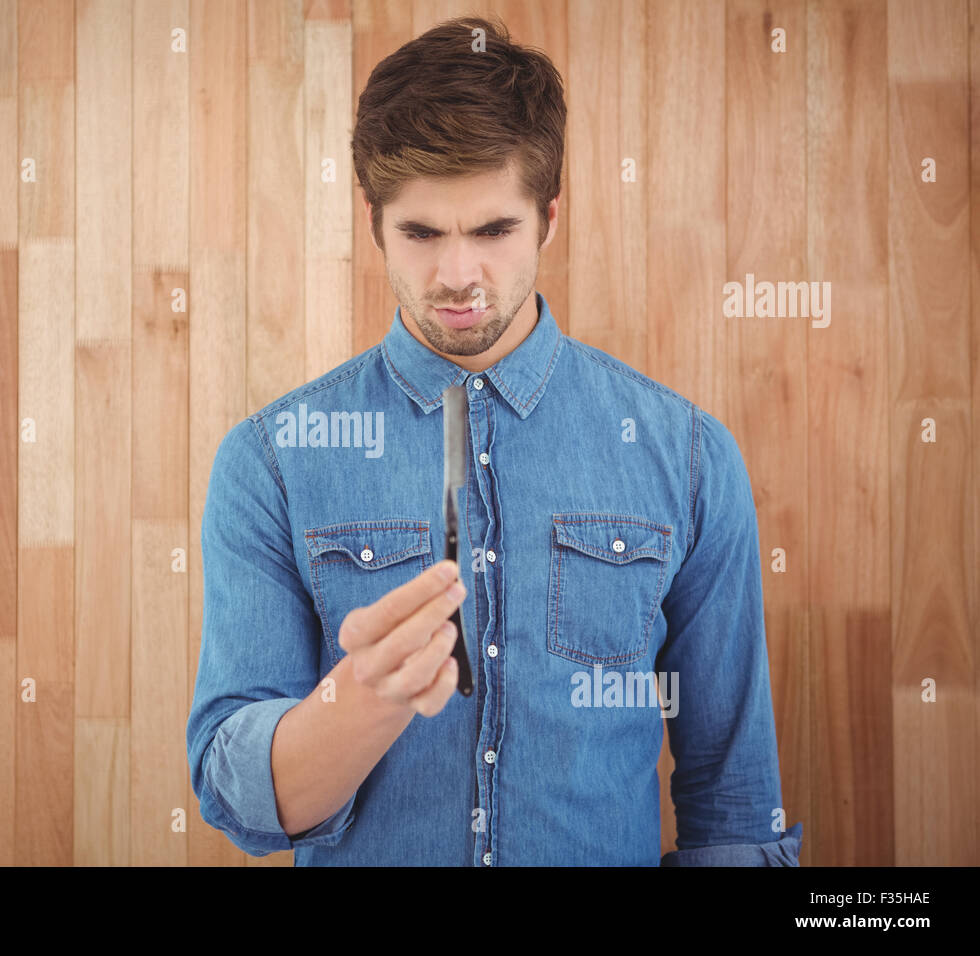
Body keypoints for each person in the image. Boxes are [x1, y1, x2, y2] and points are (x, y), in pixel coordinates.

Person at [186, 13, 802, 866]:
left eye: (493, 231)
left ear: (549, 216)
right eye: (422, 233)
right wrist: (364, 697)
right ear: (375, 226)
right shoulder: (272, 463)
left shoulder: (689, 458)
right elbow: (237, 800)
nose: (458, 276)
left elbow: (734, 814)